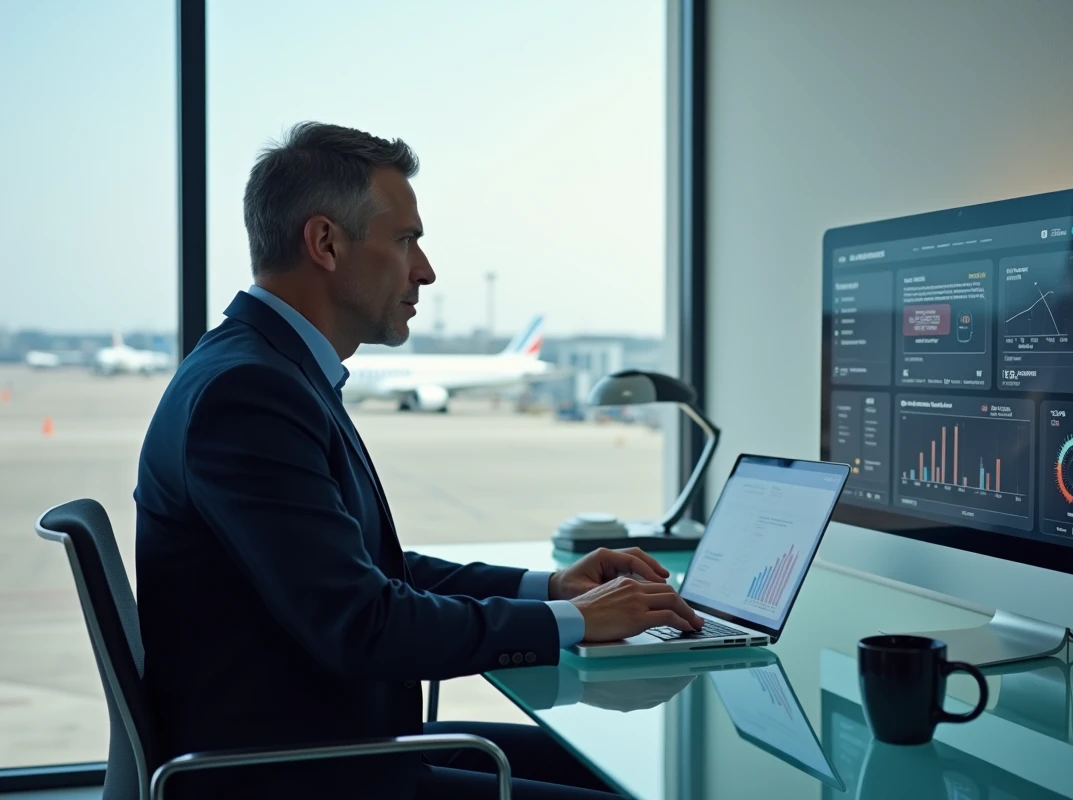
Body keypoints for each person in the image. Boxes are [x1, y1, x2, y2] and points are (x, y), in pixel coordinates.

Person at [133, 121, 704, 800]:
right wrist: (580, 623)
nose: (425, 270)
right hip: (300, 777)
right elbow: (365, 626)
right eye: (406, 240)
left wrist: (552, 590)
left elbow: (368, 573)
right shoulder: (249, 393)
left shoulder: (267, 370)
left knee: (615, 774)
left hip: (333, 748)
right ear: (325, 243)